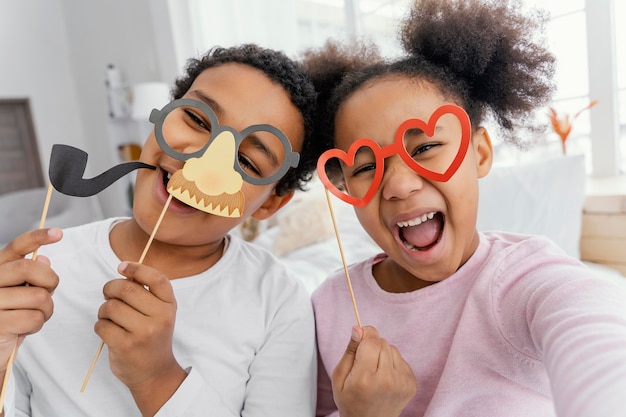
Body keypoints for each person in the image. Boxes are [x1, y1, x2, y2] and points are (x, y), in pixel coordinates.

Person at [303, 0, 626, 416]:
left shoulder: (528, 281)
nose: (399, 185)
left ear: (480, 153)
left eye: (426, 147)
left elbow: (598, 343)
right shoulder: (327, 305)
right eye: (366, 166)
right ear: (344, 184)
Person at [0, 43, 319, 416]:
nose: (201, 161)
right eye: (198, 120)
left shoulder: (278, 301)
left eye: (247, 160)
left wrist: (156, 378)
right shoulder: (40, 266)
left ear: (269, 203)